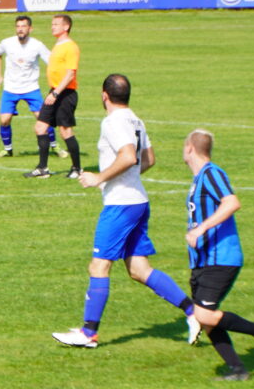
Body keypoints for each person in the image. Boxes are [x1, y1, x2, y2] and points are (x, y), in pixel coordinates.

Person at [52, 74, 199, 349]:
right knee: (139, 269)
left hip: (120, 205)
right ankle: (193, 312)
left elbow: (129, 156)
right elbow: (149, 159)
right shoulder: (136, 119)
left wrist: (101, 177)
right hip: (138, 201)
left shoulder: (113, 122)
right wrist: (123, 177)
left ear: (104, 95)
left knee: (99, 265)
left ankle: (88, 333)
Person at [182, 129, 254, 380]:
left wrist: (201, 228)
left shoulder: (212, 173)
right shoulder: (199, 178)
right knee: (208, 319)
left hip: (220, 258)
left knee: (202, 314)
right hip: (203, 260)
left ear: (190, 148)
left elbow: (232, 202)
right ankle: (238, 370)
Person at [0, 15, 61, 159]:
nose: (20, 29)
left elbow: (52, 62)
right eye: (18, 26)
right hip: (10, 89)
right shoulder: (7, 43)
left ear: (30, 28)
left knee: (43, 119)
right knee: (4, 120)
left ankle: (55, 146)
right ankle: (7, 149)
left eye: (23, 26)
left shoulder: (37, 45)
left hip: (31, 88)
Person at [25, 14, 83, 179]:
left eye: (56, 24)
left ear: (66, 27)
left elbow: (70, 74)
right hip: (54, 91)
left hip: (64, 94)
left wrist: (56, 93)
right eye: (52, 24)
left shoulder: (71, 47)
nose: (52, 27)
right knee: (40, 128)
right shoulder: (58, 44)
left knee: (65, 131)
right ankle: (43, 168)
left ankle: (77, 168)